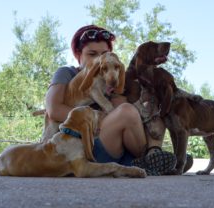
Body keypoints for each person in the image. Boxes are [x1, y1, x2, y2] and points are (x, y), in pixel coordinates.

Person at [45, 24, 178, 175]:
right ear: (78, 54)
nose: (99, 59)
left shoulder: (110, 77)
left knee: (150, 101)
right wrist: (97, 118)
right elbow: (54, 110)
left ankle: (153, 155)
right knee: (126, 112)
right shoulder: (67, 72)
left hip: (115, 144)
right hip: (82, 144)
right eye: (92, 54)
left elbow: (123, 110)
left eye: (104, 53)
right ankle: (150, 160)